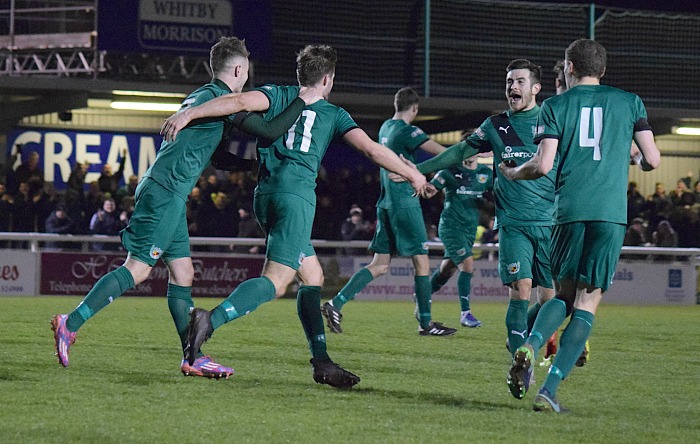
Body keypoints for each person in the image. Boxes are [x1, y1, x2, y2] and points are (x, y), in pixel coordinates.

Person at [159, 45, 430, 388]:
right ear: (328, 79)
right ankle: (210, 320)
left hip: (265, 195)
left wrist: (188, 113)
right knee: (276, 281)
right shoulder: (334, 113)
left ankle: (323, 362)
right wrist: (413, 174)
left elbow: (237, 102)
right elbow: (371, 150)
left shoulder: (277, 93)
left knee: (312, 276)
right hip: (296, 199)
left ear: (300, 75)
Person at [51, 36, 318, 379]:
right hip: (166, 190)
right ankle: (69, 323)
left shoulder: (203, 96)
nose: (247, 77)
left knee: (183, 274)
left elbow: (218, 156)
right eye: (247, 71)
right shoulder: (222, 99)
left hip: (170, 190)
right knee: (139, 268)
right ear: (239, 69)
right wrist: (301, 99)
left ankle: (193, 357)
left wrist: (250, 168)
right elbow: (269, 129)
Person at [499, 38, 660, 413]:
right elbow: (651, 158)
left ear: (569, 68)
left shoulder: (554, 106)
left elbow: (541, 166)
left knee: (562, 295)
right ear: (602, 70)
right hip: (609, 213)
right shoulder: (629, 102)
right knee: (587, 302)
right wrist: (633, 160)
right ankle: (550, 390)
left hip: (567, 212)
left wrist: (511, 172)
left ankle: (527, 344)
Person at [400, 60, 558, 379]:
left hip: (552, 222)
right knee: (521, 287)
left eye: (520, 82)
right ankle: (519, 362)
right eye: (509, 81)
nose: (513, 87)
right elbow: (459, 152)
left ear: (536, 88)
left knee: (554, 298)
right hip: (513, 223)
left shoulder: (552, 120)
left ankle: (522, 338)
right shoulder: (495, 125)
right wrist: (420, 170)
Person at [321, 86, 455, 337]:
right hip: (405, 202)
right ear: (414, 109)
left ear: (396, 105)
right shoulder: (408, 130)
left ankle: (335, 304)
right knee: (422, 262)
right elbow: (443, 152)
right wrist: (470, 153)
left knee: (380, 264)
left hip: (385, 202)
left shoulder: (385, 127)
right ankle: (426, 323)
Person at [427, 155, 493, 327]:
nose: (467, 153)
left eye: (472, 149)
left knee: (447, 269)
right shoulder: (449, 172)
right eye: (464, 149)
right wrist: (426, 188)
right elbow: (431, 188)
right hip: (451, 226)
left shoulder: (486, 173)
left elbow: (498, 194)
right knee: (467, 264)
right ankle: (465, 314)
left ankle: (423, 294)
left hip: (470, 229)